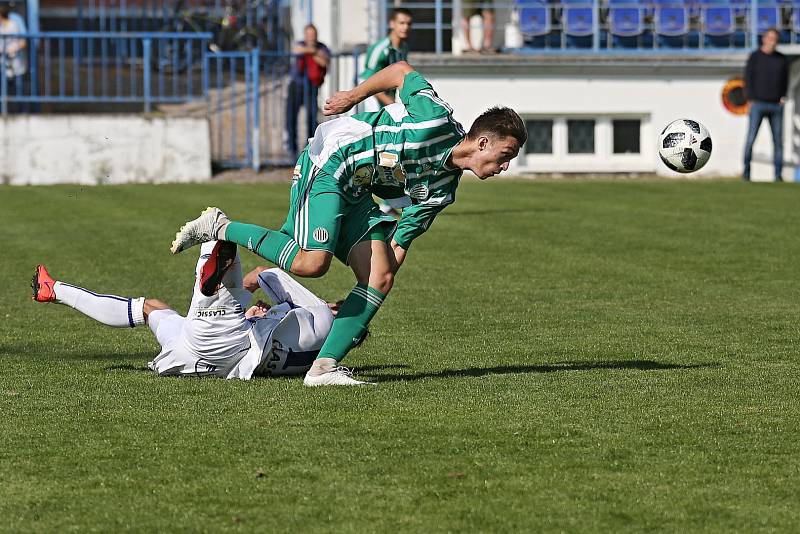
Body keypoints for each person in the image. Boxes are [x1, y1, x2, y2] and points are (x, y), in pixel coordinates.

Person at [170, 60, 527, 387]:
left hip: (357, 192)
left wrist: (365, 302)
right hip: (331, 161)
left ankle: (323, 369)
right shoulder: (433, 120)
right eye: (505, 156)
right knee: (312, 264)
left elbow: (398, 246)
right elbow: (401, 71)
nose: (505, 166)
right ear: (482, 142)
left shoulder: (442, 191)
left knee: (382, 276)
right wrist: (353, 97)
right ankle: (220, 227)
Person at [31, 240, 345, 380]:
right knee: (151, 308)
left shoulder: (321, 318)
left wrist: (251, 296)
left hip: (222, 344)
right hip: (205, 355)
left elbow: (267, 274)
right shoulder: (316, 355)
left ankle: (210, 267)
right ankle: (53, 289)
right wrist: (259, 314)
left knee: (218, 241)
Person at [743, 28, 788, 182]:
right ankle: (746, 174)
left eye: (775, 38)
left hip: (776, 105)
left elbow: (785, 79)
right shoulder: (755, 57)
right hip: (758, 104)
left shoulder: (781, 59)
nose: (772, 41)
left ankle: (778, 176)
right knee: (750, 139)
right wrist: (749, 99)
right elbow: (748, 78)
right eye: (770, 38)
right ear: (764, 39)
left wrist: (783, 96)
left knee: (778, 142)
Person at [285, 24, 331, 158]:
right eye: (308, 35)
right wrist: (312, 51)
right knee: (291, 118)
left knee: (311, 118)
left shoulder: (322, 47)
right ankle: (292, 151)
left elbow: (324, 62)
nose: (311, 37)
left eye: (313, 34)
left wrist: (312, 52)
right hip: (296, 85)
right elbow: (296, 50)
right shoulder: (300, 44)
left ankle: (311, 150)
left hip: (312, 87)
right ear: (305, 35)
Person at [361, 8, 412, 112]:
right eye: (401, 23)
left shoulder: (404, 47)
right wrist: (392, 105)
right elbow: (368, 81)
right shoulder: (380, 48)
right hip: (370, 95)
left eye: (409, 23)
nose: (406, 27)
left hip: (388, 97)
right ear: (392, 24)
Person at [0, 4, 27, 111]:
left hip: (15, 61)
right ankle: (4, 110)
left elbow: (22, 42)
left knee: (18, 89)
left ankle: (21, 111)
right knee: (4, 89)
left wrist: (12, 49)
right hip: (3, 62)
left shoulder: (14, 24)